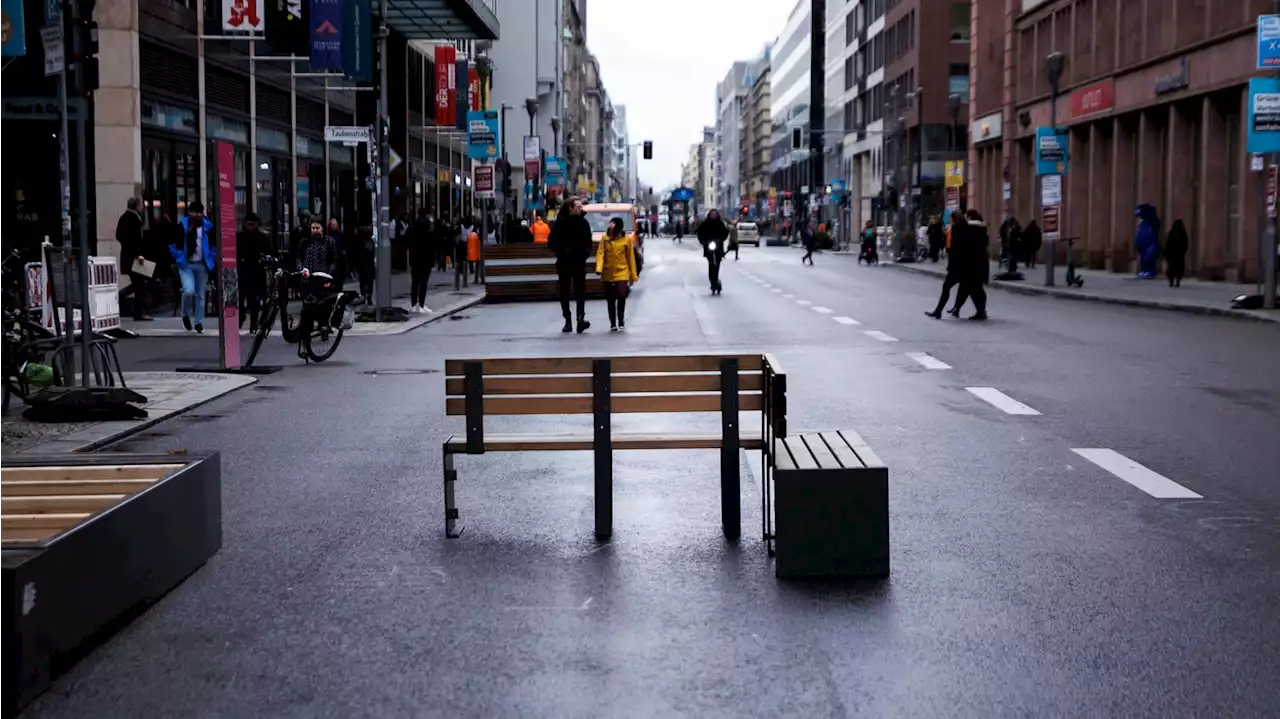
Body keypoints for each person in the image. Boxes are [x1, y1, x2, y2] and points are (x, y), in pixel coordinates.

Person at [168, 201, 216, 333]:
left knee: (200, 295)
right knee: (188, 290)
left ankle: (199, 322)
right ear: (189, 212)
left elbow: (213, 245)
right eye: (194, 212)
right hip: (186, 264)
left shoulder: (208, 228)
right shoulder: (182, 227)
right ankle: (185, 315)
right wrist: (178, 256)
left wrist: (211, 259)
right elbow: (172, 243)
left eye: (199, 212)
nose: (196, 215)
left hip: (202, 263)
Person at [549, 197, 592, 333]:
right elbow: (552, 242)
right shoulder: (560, 223)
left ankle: (580, 319)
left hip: (578, 262)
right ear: (570, 208)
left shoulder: (583, 222)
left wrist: (583, 254)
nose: (581, 208)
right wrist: (561, 252)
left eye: (581, 206)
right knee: (564, 292)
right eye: (578, 206)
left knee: (580, 291)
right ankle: (567, 320)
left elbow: (588, 242)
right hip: (564, 262)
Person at [596, 217, 638, 331]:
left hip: (622, 272)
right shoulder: (605, 239)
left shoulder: (626, 239)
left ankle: (621, 321)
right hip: (608, 272)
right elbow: (600, 253)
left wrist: (633, 275)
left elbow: (630, 257)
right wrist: (599, 268)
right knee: (610, 299)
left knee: (621, 294)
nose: (613, 234)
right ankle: (613, 323)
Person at [925, 212, 969, 320]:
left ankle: (938, 311)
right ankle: (955, 309)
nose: (949, 221)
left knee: (946, 287)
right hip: (965, 265)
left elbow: (955, 248)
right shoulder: (966, 228)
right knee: (964, 288)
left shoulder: (955, 229)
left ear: (954, 219)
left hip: (957, 265)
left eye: (950, 219)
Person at [116, 197, 152, 321]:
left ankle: (137, 309)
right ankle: (138, 311)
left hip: (134, 256)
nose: (143, 206)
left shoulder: (131, 217)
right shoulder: (130, 218)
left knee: (140, 283)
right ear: (136, 206)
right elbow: (129, 238)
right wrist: (138, 253)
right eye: (141, 204)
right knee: (140, 284)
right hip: (135, 257)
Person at [237, 212, 272, 333]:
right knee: (240, 298)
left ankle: (253, 323)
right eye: (248, 224)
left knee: (254, 300)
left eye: (253, 224)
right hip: (243, 269)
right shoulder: (239, 236)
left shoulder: (262, 237)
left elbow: (269, 252)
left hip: (256, 270)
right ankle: (241, 318)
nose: (250, 227)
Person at [958, 208, 990, 320]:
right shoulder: (981, 229)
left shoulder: (971, 229)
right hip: (981, 262)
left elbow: (966, 245)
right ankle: (981, 310)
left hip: (972, 263)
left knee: (974, 288)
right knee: (977, 288)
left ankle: (981, 311)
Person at [697, 209, 730, 291]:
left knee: (717, 264)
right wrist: (703, 241)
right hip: (708, 246)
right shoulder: (705, 223)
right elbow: (700, 232)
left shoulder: (720, 223)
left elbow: (725, 233)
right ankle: (712, 281)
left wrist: (720, 240)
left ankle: (716, 280)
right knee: (711, 264)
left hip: (718, 246)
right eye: (712, 214)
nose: (713, 216)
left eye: (715, 214)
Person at [409, 209, 435, 313]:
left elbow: (408, 240)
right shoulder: (429, 228)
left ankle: (413, 304)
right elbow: (433, 244)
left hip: (415, 257)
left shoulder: (413, 227)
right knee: (423, 282)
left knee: (415, 282)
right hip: (426, 258)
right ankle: (421, 305)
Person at [1135, 204, 1162, 278]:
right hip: (1143, 244)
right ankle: (1145, 270)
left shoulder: (1152, 222)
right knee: (1144, 258)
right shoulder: (1144, 222)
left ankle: (1150, 271)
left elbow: (1152, 233)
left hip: (1150, 244)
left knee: (1149, 257)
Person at [1165, 218, 1189, 288]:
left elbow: (1168, 243)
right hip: (1179, 255)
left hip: (1172, 255)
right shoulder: (1183, 233)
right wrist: (1183, 252)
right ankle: (1177, 281)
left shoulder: (1171, 233)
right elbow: (1185, 244)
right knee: (1179, 269)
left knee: (1171, 268)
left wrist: (1167, 253)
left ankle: (1171, 282)